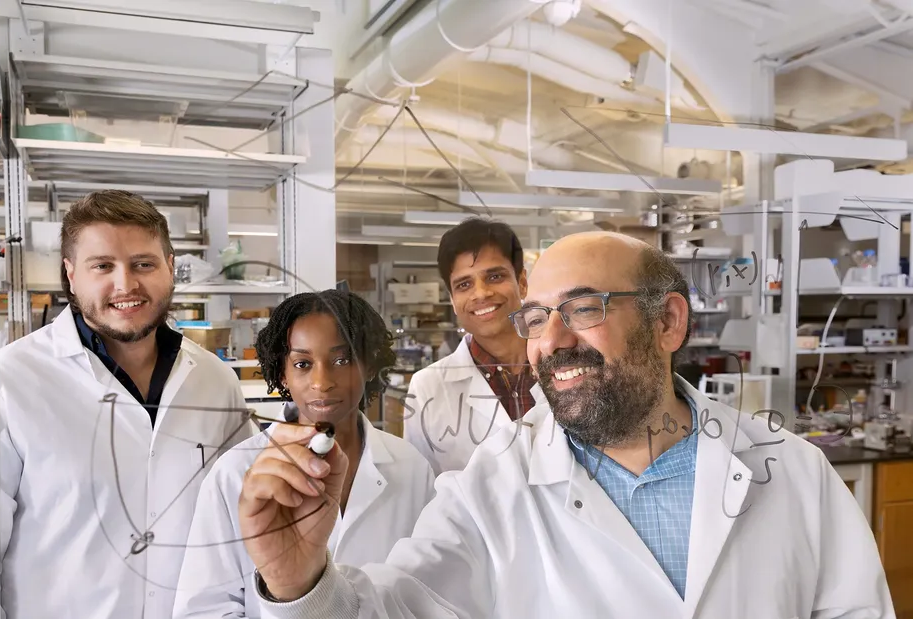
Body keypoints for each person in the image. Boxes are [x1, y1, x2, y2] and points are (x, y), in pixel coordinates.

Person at [236, 231, 894, 618]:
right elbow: (395, 608)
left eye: (581, 309)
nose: (549, 340)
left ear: (667, 321)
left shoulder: (792, 473)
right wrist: (301, 585)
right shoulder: (490, 492)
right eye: (535, 316)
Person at [0, 190, 255, 619]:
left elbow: (237, 526)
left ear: (170, 268)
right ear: (71, 274)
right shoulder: (13, 379)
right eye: (102, 266)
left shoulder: (215, 381)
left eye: (143, 264)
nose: (126, 285)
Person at [172, 290, 436, 618]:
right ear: (282, 374)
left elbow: (428, 593)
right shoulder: (236, 473)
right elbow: (203, 610)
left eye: (342, 360)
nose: (322, 382)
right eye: (303, 364)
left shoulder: (411, 468)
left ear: (369, 366)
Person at [403, 217, 542, 475]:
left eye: (495, 276)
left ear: (522, 282)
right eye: (464, 284)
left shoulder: (562, 364)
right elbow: (424, 491)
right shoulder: (427, 387)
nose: (481, 294)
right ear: (453, 300)